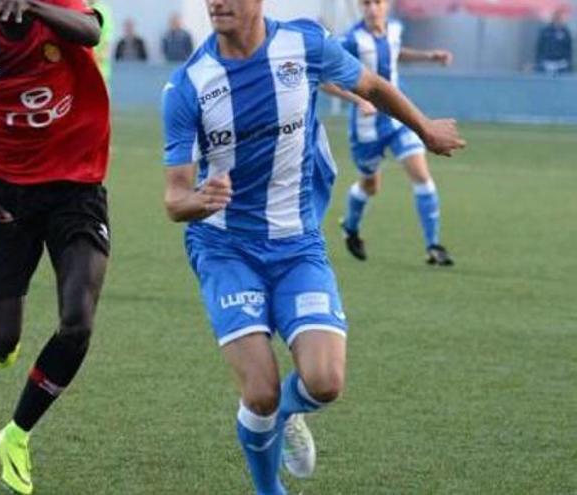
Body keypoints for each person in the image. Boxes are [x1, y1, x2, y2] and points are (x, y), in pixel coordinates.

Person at [161, 0, 465, 493]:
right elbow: (174, 199)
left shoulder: (303, 43)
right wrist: (197, 199)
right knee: (258, 393)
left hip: (297, 244)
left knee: (325, 383)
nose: (216, 3)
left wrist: (424, 128)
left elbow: (373, 86)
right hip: (225, 248)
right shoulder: (188, 84)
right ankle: (269, 488)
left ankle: (285, 413)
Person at [0, 1, 110, 494]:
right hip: (5, 194)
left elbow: (90, 31)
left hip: (77, 189)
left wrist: (34, 5)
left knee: (77, 321)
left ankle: (15, 434)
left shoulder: (58, 9)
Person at [324, 0, 456, 265]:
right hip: (366, 128)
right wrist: (359, 101)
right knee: (370, 185)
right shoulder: (352, 39)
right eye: (367, 3)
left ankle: (434, 246)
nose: (373, 8)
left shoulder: (394, 29)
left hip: (397, 120)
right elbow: (324, 78)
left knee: (421, 174)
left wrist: (429, 56)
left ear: (386, 5)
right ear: (362, 7)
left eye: (378, 2)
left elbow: (394, 52)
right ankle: (350, 226)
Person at [536, 6, 573, 75]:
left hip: (561, 64)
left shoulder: (565, 32)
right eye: (557, 16)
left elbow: (569, 49)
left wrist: (568, 62)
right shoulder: (545, 31)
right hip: (547, 63)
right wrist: (540, 61)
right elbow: (540, 48)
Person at [88, 0, 114, 82]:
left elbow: (107, 41)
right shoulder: (79, 8)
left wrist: (100, 56)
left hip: (100, 69)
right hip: (83, 68)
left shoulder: (103, 11)